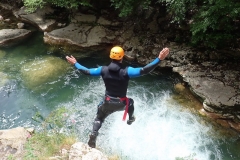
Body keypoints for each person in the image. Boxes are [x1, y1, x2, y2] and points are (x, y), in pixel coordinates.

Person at [66, 46, 170, 148]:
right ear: (122, 57)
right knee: (131, 102)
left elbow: (87, 71)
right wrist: (159, 59)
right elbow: (144, 70)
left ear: (110, 56)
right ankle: (130, 119)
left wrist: (75, 63)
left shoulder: (103, 70)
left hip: (108, 102)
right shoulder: (127, 71)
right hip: (122, 103)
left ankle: (94, 133)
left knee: (99, 118)